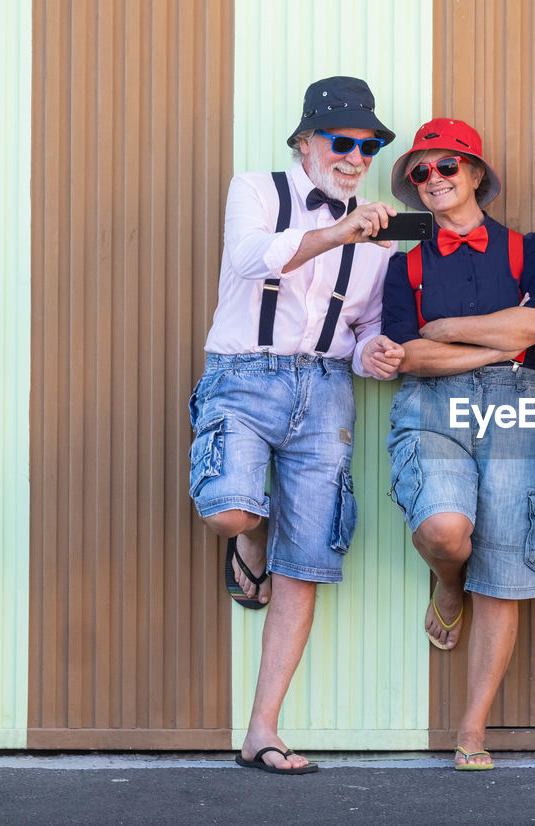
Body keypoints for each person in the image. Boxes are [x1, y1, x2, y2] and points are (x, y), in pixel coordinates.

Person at [187, 76, 406, 774]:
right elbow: (251, 258)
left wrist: (376, 351)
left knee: (306, 563)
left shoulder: (382, 231)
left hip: (326, 388)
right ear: (306, 140)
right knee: (228, 510)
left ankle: (263, 730)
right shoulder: (255, 188)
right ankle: (251, 541)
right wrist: (338, 228)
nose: (354, 157)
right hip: (244, 375)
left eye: (367, 145)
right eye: (342, 142)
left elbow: (364, 326)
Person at [382, 118, 535, 771]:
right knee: (446, 531)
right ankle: (447, 583)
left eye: (446, 167)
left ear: (477, 173)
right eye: (420, 172)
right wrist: (497, 340)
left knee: (506, 562)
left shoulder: (523, 248)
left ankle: (472, 731)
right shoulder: (407, 264)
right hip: (434, 406)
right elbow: (411, 357)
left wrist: (450, 328)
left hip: (515, 403)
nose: (433, 180)